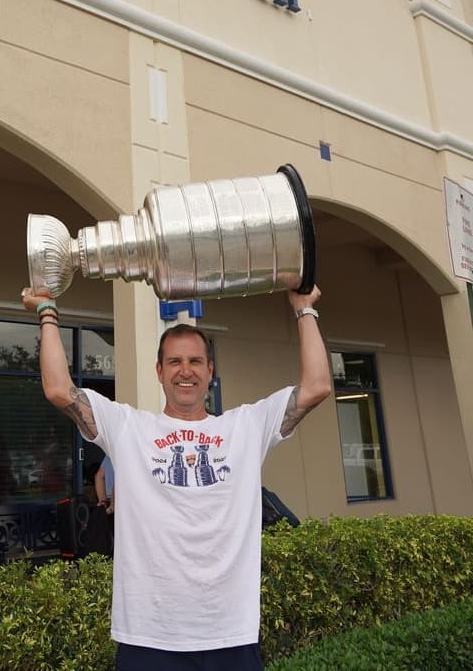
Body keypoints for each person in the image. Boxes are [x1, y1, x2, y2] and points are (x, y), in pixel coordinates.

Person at [22, 284, 331, 670]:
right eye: (174, 362)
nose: (185, 371)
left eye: (195, 361)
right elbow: (58, 389)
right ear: (159, 371)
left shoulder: (246, 427)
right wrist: (47, 311)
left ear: (210, 371)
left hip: (229, 634)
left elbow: (317, 386)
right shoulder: (129, 428)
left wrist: (304, 308)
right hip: (149, 636)